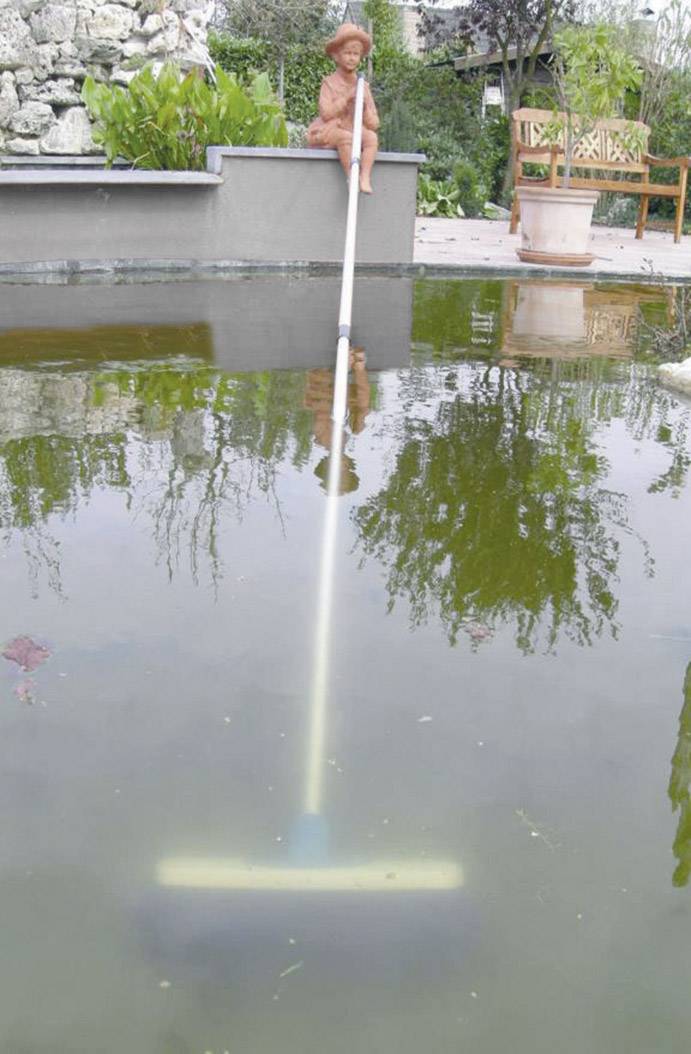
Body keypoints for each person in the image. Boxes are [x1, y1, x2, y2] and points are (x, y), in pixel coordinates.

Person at [307, 23, 379, 194]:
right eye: (347, 53)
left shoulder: (363, 86)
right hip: (333, 128)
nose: (352, 58)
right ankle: (351, 177)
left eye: (356, 54)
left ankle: (364, 176)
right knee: (346, 138)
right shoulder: (329, 83)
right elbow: (326, 113)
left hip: (355, 127)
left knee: (371, 138)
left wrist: (364, 110)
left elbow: (374, 123)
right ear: (336, 56)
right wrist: (345, 100)